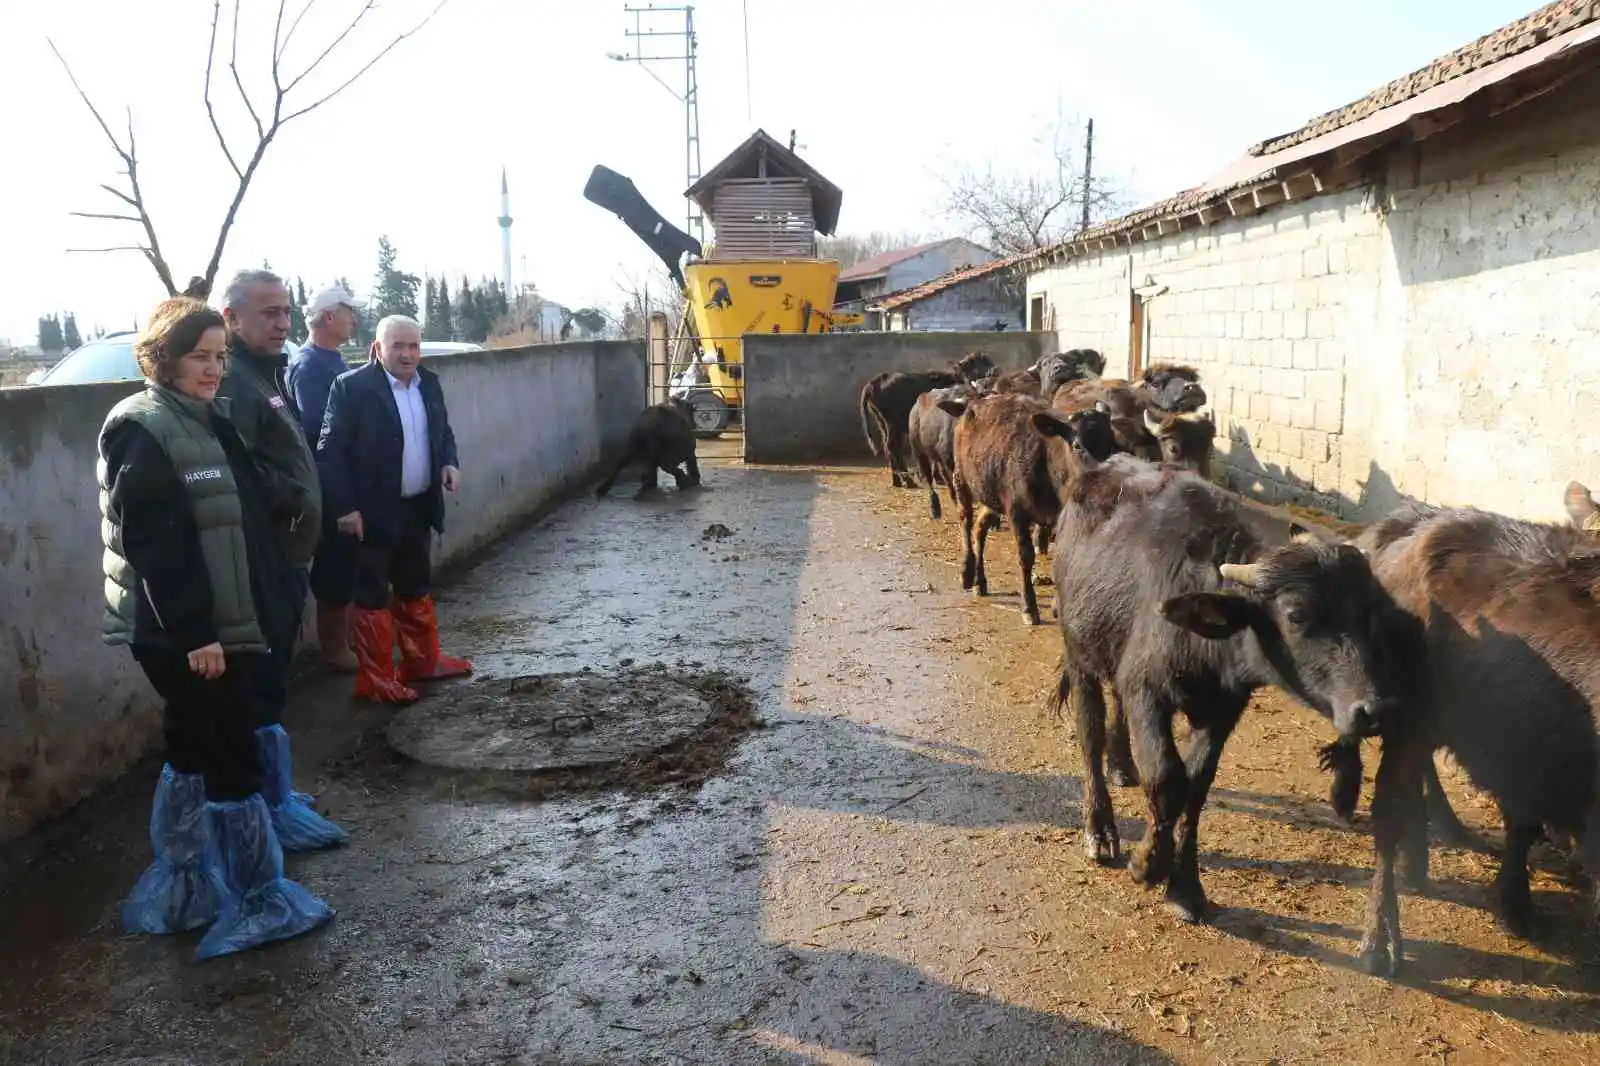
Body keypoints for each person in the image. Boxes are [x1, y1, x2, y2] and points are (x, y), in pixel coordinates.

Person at [99, 296, 335, 960]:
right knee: (229, 753)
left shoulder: (205, 417)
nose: (212, 369)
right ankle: (257, 901)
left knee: (192, 741)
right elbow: (155, 544)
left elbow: (241, 507)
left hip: (225, 622)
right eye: (199, 357)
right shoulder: (140, 426)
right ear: (164, 357)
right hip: (188, 633)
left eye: (219, 357)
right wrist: (197, 632)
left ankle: (188, 882)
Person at [217, 269, 348, 850]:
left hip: (288, 557)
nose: (281, 323)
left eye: (286, 312)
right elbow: (238, 476)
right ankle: (260, 811)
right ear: (231, 319)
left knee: (274, 681)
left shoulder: (265, 376)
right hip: (262, 565)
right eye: (268, 313)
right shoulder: (232, 384)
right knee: (259, 684)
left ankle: (275, 792)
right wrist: (292, 498)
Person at [317, 314, 473, 703]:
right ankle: (377, 679)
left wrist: (448, 463)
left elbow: (443, 432)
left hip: (418, 505)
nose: (407, 354)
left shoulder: (429, 384)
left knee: (415, 584)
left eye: (413, 346)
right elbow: (329, 450)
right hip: (371, 513)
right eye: (398, 346)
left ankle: (422, 662)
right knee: (371, 594)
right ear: (377, 348)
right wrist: (345, 507)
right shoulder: (352, 388)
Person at [287, 284, 363, 672]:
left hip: (343, 477)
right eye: (349, 311)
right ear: (329, 316)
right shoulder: (311, 365)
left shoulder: (330, 359)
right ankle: (334, 649)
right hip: (329, 482)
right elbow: (321, 430)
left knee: (348, 561)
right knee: (335, 562)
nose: (354, 318)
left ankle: (347, 641)